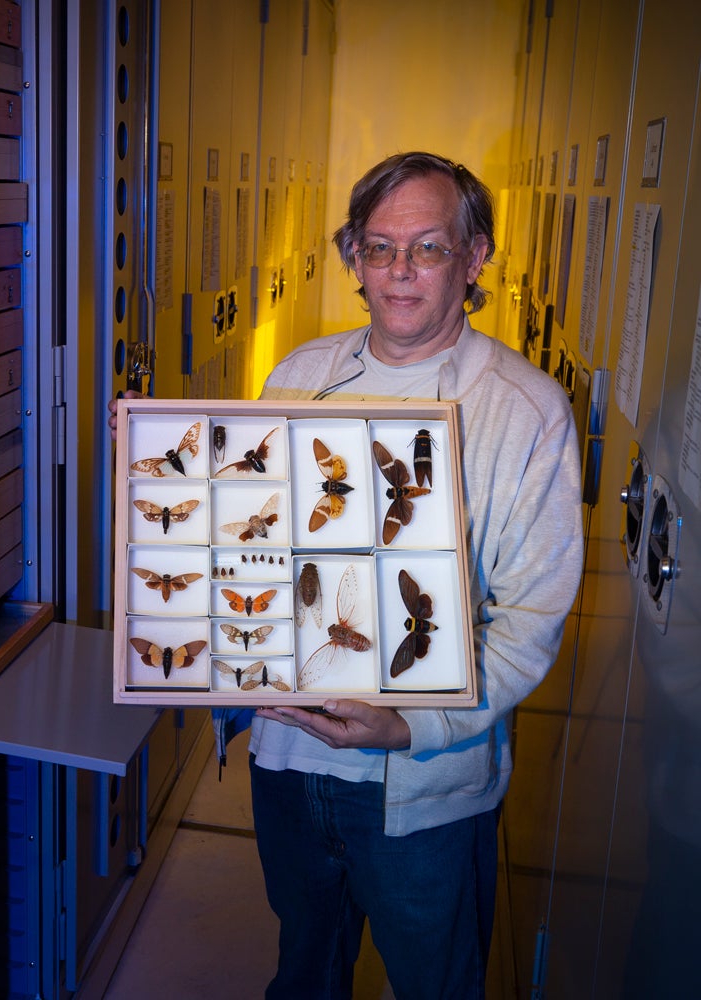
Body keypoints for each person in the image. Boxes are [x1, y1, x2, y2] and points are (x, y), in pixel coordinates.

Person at [111, 151, 584, 999]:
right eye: (378, 247)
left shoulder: (526, 410)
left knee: (434, 981)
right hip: (291, 762)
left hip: (423, 790)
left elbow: (530, 621)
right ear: (354, 258)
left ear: (474, 258)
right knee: (304, 972)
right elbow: (244, 540)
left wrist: (409, 728)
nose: (399, 271)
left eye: (429, 247)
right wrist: (162, 463)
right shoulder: (299, 375)